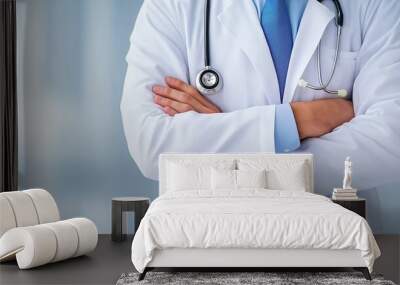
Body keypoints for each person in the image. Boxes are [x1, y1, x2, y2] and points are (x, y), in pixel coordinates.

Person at [121, 0, 400, 192]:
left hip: (340, 241)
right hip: (205, 238)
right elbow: (152, 142)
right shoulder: (172, 6)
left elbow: (390, 140)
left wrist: (227, 149)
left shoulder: (376, 5)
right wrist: (296, 121)